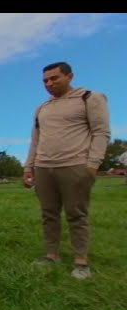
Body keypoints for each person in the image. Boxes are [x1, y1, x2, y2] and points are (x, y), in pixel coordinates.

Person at [23, 61, 110, 280]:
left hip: (75, 165)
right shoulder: (42, 108)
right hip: (43, 167)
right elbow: (35, 140)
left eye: (54, 78)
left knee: (76, 214)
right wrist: (28, 167)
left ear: (69, 76)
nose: (49, 83)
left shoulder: (89, 98)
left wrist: (92, 165)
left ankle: (80, 261)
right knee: (48, 214)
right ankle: (52, 254)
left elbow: (101, 132)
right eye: (45, 80)